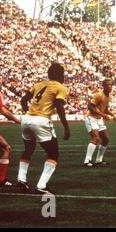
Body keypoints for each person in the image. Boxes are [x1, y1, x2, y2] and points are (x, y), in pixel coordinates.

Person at [17, 63, 71, 194]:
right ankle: (41, 185)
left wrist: (28, 113)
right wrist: (66, 127)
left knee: (28, 149)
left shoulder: (38, 85)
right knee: (53, 153)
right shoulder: (60, 87)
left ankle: (21, 179)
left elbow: (23, 100)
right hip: (41, 120)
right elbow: (59, 106)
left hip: (26, 119)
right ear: (60, 75)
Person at [83, 78, 116, 167]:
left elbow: (105, 109)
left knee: (106, 139)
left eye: (111, 85)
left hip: (99, 119)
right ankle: (87, 160)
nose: (109, 87)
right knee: (96, 138)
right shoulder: (99, 95)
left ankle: (99, 160)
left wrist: (112, 115)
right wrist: (102, 115)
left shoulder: (109, 96)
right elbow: (90, 107)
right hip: (91, 118)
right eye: (107, 85)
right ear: (103, 86)